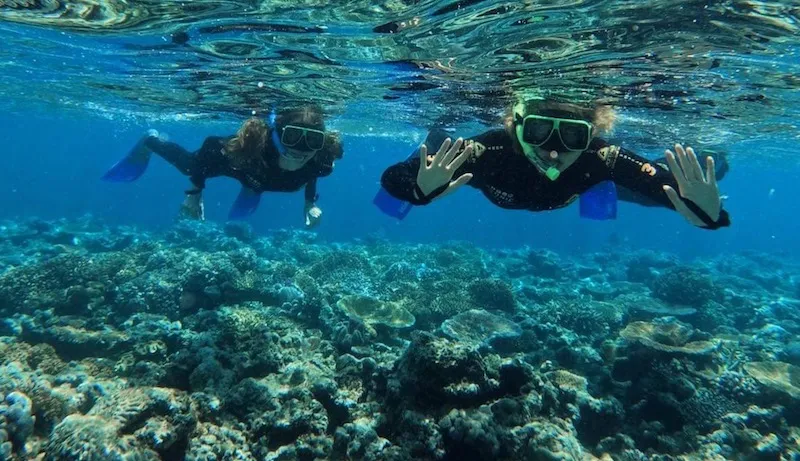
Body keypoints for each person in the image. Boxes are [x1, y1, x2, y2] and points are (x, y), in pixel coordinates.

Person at [379, 97, 730, 230]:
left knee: (635, 191)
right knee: (439, 161)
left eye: (574, 137)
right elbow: (394, 178)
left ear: (592, 135)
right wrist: (418, 190)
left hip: (586, 185)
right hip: (563, 187)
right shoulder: (490, 151)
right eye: (538, 131)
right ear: (515, 128)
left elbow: (663, 189)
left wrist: (707, 213)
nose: (552, 152)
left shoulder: (600, 157)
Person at [102, 104, 343, 227]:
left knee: (259, 181)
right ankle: (150, 140)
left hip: (263, 176)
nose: (301, 149)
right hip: (243, 166)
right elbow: (209, 148)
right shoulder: (249, 147)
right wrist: (195, 192)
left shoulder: (321, 160)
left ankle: (253, 187)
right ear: (278, 135)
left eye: (312, 140)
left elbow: (312, 173)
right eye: (293, 138)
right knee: (189, 166)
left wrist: (310, 203)